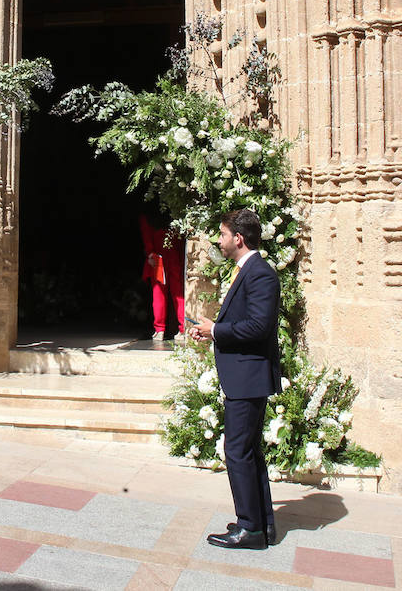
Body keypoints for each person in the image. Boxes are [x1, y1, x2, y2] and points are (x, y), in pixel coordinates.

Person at [190, 208, 282, 550]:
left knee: (237, 451)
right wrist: (213, 333)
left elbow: (259, 327)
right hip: (244, 376)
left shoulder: (260, 274)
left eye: (223, 234)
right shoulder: (248, 271)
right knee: (248, 451)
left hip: (249, 377)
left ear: (238, 238)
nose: (219, 239)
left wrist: (217, 330)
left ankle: (249, 529)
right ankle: (262, 523)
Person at [138, 211, 185, 341]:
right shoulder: (174, 211)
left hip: (158, 257)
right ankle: (183, 328)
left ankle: (160, 330)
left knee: (159, 294)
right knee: (178, 293)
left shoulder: (147, 215)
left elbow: (147, 236)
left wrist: (150, 253)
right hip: (174, 255)